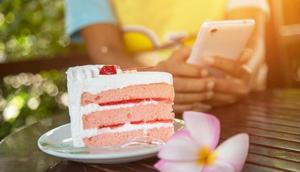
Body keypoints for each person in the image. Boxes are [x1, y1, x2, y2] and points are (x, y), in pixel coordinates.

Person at [65, 0, 269, 113]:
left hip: (237, 104)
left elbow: (250, 36)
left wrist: (244, 74)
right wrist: (152, 84)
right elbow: (106, 49)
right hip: (142, 110)